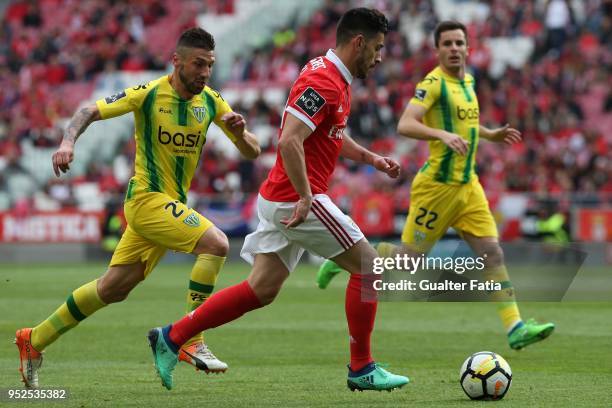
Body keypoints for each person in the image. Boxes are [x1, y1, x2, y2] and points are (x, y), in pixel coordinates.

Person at [147, 8, 409, 392]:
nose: (380, 56)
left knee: (261, 290)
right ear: (358, 43)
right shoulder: (325, 80)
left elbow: (329, 134)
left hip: (280, 195)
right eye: (378, 47)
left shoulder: (330, 73)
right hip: (296, 198)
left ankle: (171, 336)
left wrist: (369, 157)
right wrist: (305, 196)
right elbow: (289, 139)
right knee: (369, 267)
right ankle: (362, 368)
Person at [15, 27, 261, 389]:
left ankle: (33, 340)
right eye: (198, 64)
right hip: (146, 200)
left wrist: (240, 134)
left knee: (113, 289)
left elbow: (252, 151)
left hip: (170, 207)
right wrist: (67, 142)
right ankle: (191, 337)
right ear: (176, 61)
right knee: (218, 244)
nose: (205, 72)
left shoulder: (211, 100)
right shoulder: (148, 93)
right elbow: (88, 110)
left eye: (209, 65)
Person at [317, 20, 555, 350]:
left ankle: (515, 327)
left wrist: (490, 134)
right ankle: (348, 258)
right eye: (448, 44)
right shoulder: (433, 84)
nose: (454, 49)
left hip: (468, 186)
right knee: (409, 260)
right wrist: (441, 135)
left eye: (459, 43)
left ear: (469, 48)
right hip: (437, 188)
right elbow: (406, 124)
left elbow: (465, 124)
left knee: (492, 253)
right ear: (438, 50)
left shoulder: (468, 82)